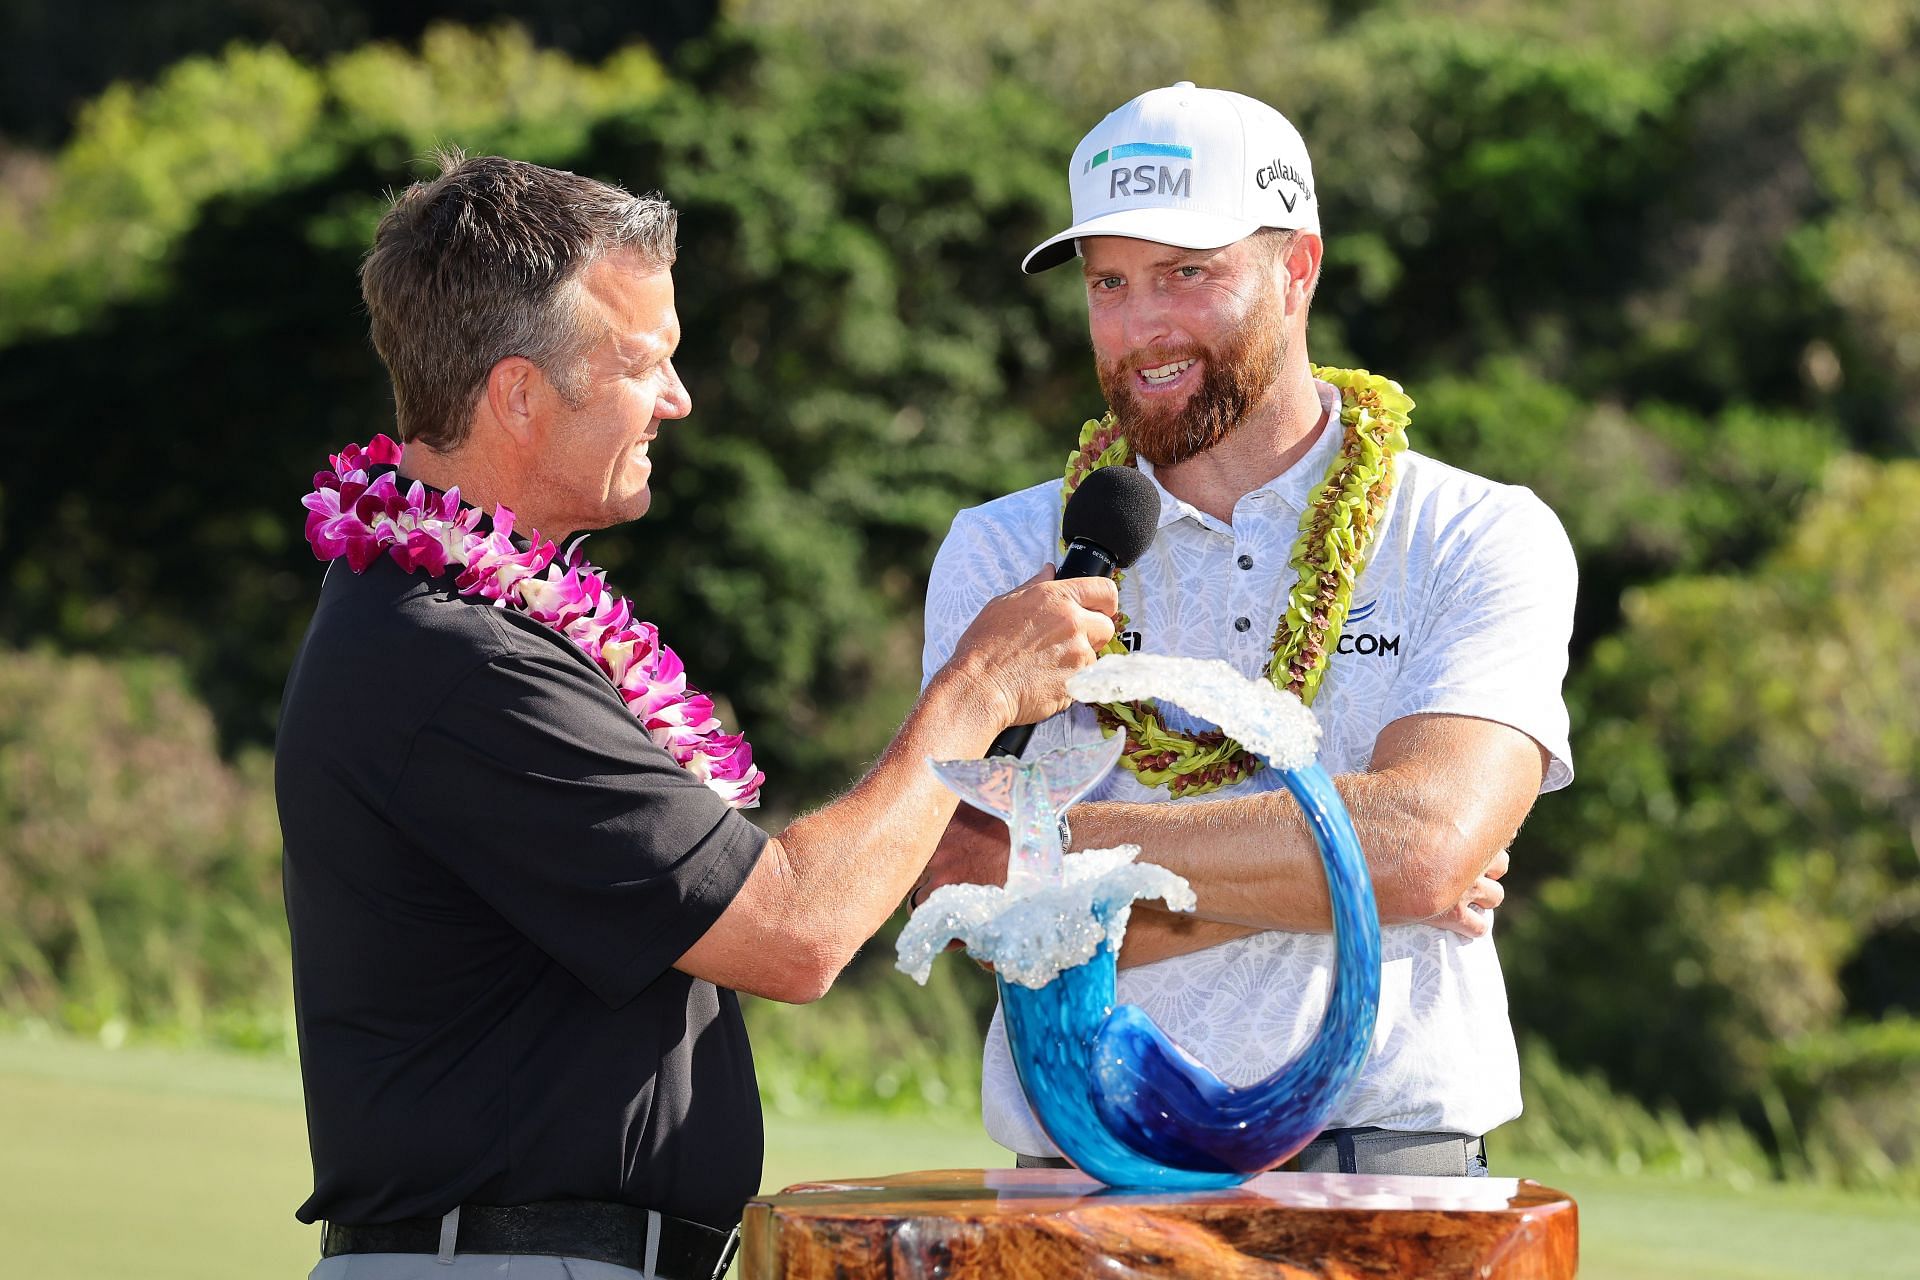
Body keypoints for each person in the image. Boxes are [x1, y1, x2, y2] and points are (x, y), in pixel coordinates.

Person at [275, 151, 1117, 1280]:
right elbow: (794, 930)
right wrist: (976, 691)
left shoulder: (451, 622)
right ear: (518, 393)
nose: (678, 397)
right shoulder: (453, 655)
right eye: (644, 362)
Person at [917, 83, 1577, 1177]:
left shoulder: (1474, 530)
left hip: (1385, 1180)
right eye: (1110, 283)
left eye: (1188, 273)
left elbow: (1425, 844)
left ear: (1297, 267)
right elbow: (962, 885)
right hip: (1075, 1192)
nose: (1140, 328)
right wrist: (1353, 871)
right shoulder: (1004, 551)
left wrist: (1053, 858)